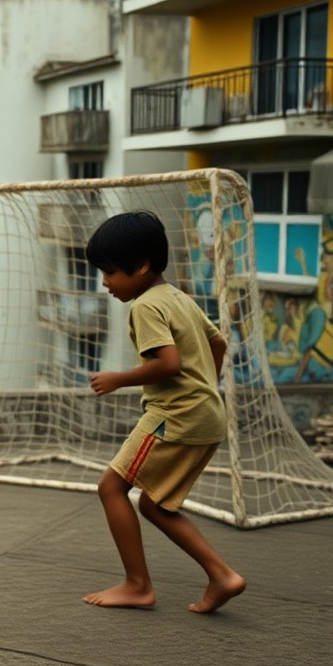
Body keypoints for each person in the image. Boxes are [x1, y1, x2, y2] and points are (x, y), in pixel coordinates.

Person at [83, 211, 246, 614]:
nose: (105, 282)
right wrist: (205, 384)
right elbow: (219, 343)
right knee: (156, 505)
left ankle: (138, 585)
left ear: (141, 267)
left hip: (174, 416)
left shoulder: (146, 307)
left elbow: (169, 363)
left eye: (110, 272)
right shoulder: (179, 298)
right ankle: (222, 576)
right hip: (206, 414)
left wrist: (118, 379)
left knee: (111, 487)